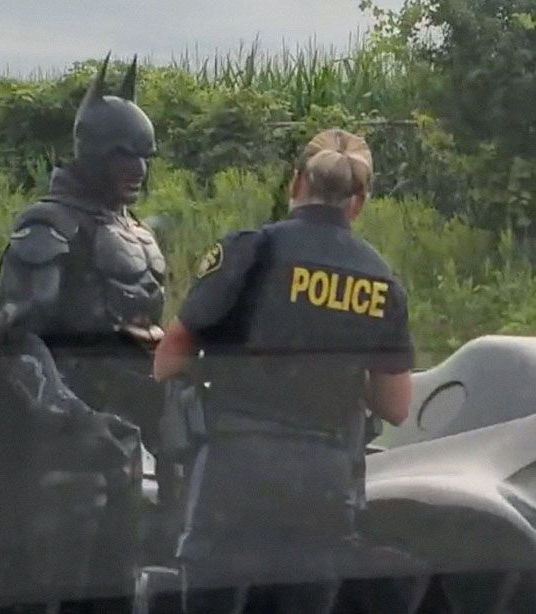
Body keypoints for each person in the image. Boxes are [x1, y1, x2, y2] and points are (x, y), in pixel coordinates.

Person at [153, 129, 413, 613]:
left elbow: (171, 355)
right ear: (357, 202)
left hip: (233, 471)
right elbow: (395, 406)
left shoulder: (250, 250)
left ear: (296, 183)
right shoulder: (380, 280)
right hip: (322, 483)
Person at [0, 54, 167, 613]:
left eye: (143, 155)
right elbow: (18, 340)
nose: (136, 167)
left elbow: (143, 345)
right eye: (122, 153)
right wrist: (75, 420)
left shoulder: (135, 233)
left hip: (119, 450)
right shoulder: (48, 225)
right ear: (91, 149)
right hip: (52, 457)